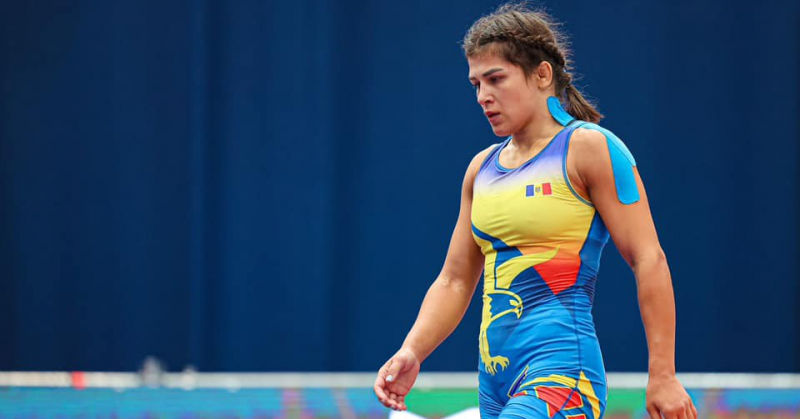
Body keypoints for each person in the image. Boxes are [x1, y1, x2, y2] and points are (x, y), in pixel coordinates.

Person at [373, 3, 697, 419]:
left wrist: (663, 374)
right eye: (475, 84)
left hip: (564, 375)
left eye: (495, 79)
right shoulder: (480, 169)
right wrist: (412, 350)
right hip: (495, 385)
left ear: (542, 75)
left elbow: (649, 258)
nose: (483, 96)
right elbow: (455, 280)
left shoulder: (590, 148)